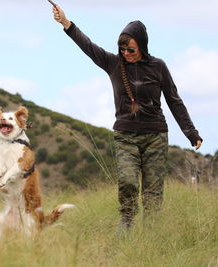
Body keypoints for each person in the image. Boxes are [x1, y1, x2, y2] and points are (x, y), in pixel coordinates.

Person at [52, 5, 203, 229]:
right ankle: (127, 224)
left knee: (153, 191)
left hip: (155, 136)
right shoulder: (113, 64)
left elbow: (174, 100)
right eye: (122, 49)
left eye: (131, 49)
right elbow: (88, 46)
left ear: (142, 46)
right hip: (125, 136)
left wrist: (191, 132)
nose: (126, 54)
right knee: (128, 182)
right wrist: (66, 23)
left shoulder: (158, 66)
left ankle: (151, 235)